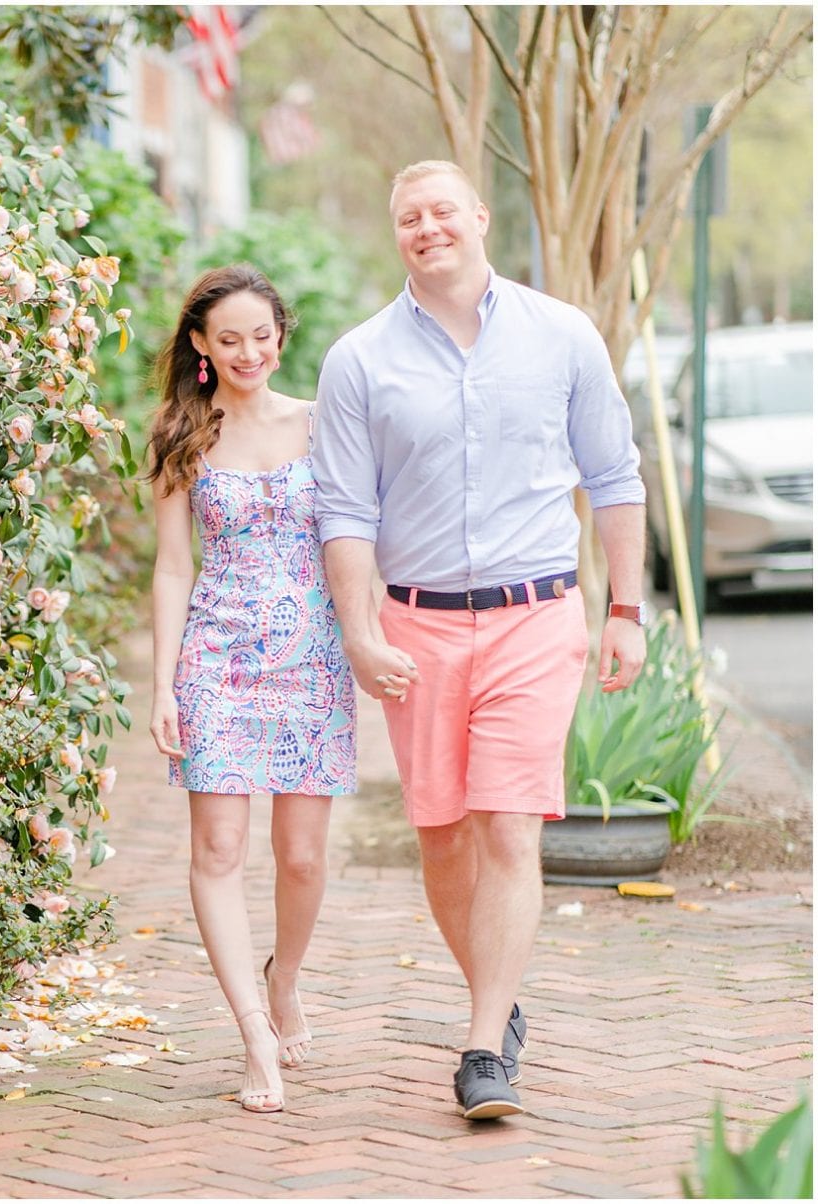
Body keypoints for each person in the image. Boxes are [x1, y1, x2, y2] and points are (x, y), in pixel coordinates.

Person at [312, 160, 647, 1120]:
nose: (428, 228)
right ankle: (497, 1005)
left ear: (480, 218)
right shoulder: (359, 361)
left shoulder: (563, 334)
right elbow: (344, 510)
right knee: (443, 839)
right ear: (398, 234)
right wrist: (359, 631)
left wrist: (624, 609)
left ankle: (480, 1048)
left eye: (443, 211)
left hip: (537, 616)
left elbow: (614, 476)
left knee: (507, 825)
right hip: (416, 624)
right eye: (410, 217)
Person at [148, 265, 358, 1115]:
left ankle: (285, 977)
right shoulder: (179, 434)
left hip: (312, 659)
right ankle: (253, 1036)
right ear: (201, 343)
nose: (247, 353)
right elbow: (171, 568)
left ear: (282, 334)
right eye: (228, 338)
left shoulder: (322, 423)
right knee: (219, 854)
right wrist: (162, 684)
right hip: (218, 661)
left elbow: (362, 539)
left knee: (302, 857)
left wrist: (372, 635)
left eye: (261, 336)